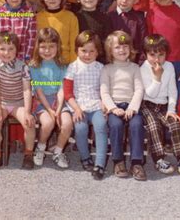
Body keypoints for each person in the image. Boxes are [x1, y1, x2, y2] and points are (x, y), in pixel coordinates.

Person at [0, 31, 36, 171]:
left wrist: (27, 112)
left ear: (17, 50)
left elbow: (27, 90)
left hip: (18, 103)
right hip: (2, 103)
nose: (6, 53)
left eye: (11, 49)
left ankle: (28, 154)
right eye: (2, 49)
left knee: (29, 123)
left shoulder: (23, 67)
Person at [139, 35, 180, 175]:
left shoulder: (170, 66)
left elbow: (172, 90)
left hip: (163, 105)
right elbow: (151, 93)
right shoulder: (144, 68)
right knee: (154, 126)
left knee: (175, 123)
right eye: (152, 55)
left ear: (166, 54)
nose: (157, 59)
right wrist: (157, 77)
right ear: (146, 54)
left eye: (161, 55)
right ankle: (159, 159)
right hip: (147, 104)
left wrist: (172, 110)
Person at [101, 31, 146, 181]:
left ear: (130, 48)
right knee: (115, 125)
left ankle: (136, 162)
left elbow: (139, 89)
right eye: (117, 47)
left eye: (125, 46)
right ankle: (118, 160)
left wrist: (133, 107)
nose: (122, 50)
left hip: (132, 106)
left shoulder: (134, 68)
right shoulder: (106, 69)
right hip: (114, 106)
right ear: (110, 50)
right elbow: (104, 91)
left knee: (137, 125)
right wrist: (113, 108)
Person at [63, 30, 107, 180]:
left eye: (91, 51)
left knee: (101, 126)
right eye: (83, 51)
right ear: (77, 50)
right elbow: (67, 92)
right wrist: (76, 108)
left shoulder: (101, 68)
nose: (87, 55)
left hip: (95, 105)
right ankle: (85, 157)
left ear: (97, 52)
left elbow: (104, 88)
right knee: (81, 128)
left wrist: (104, 103)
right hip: (78, 105)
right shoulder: (72, 67)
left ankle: (100, 164)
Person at [29, 28, 72, 168]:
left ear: (57, 46)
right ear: (37, 47)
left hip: (58, 101)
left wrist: (58, 109)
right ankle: (40, 147)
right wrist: (49, 110)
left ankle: (58, 151)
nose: (47, 51)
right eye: (43, 47)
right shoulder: (34, 66)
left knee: (66, 124)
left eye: (51, 46)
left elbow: (61, 89)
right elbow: (39, 90)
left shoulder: (62, 65)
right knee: (48, 123)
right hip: (42, 101)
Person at [36, 0, 78, 64]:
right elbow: (34, 44)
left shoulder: (70, 17)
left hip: (64, 64)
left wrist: (72, 67)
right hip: (42, 65)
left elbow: (74, 45)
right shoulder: (37, 18)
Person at [107, 0, 147, 65]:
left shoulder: (140, 19)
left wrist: (140, 64)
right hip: (111, 64)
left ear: (136, 0)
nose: (124, 0)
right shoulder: (108, 17)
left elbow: (143, 43)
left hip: (133, 64)